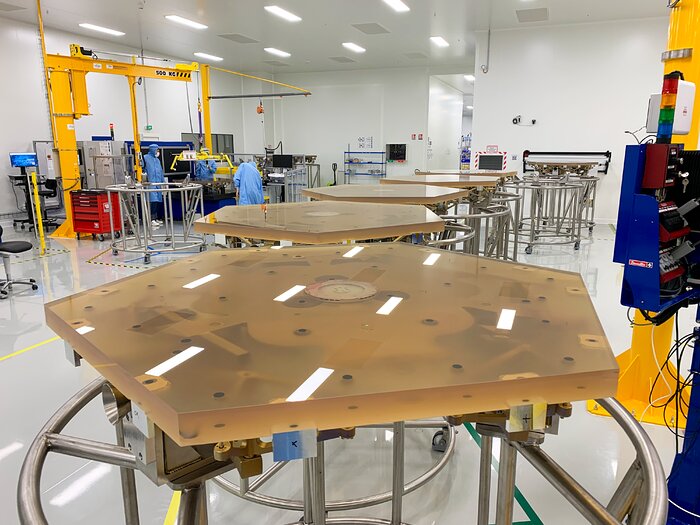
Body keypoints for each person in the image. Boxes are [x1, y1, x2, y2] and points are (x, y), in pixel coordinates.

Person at [142, 144, 164, 227]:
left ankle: (156, 217)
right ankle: (151, 219)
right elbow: (143, 169)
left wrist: (162, 182)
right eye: (157, 150)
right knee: (152, 201)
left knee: (158, 201)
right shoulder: (145, 158)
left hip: (158, 183)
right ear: (152, 150)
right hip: (150, 183)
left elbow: (160, 171)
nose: (158, 152)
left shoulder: (157, 160)